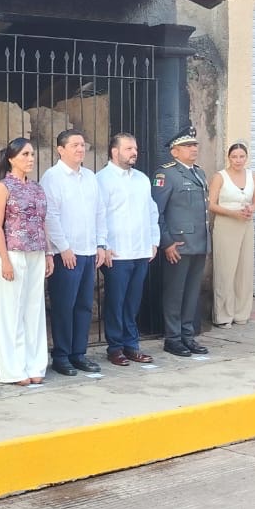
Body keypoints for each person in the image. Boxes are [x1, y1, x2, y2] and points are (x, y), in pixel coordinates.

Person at [39, 129, 107, 376]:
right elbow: (50, 216)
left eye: (82, 144)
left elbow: (100, 212)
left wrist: (101, 244)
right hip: (65, 254)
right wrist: (63, 248)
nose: (80, 149)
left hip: (88, 251)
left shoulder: (90, 177)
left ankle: (79, 353)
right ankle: (61, 355)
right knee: (63, 306)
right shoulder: (52, 177)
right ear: (61, 149)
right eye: (75, 145)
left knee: (84, 306)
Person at [0, 137, 53, 385]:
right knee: (12, 311)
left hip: (36, 252)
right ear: (11, 159)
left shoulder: (36, 187)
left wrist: (48, 253)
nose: (30, 159)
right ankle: (13, 369)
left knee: (34, 309)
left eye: (32, 154)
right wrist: (4, 260)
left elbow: (42, 222)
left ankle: (35, 364)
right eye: (25, 154)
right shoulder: (2, 187)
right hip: (14, 253)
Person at [96, 133, 159, 366]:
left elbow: (151, 211)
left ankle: (132, 345)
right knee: (116, 301)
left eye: (135, 149)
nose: (134, 153)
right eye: (129, 149)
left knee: (133, 302)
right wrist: (103, 245)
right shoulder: (102, 179)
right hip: (117, 252)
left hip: (140, 250)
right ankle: (115, 348)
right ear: (115, 151)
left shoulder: (142, 179)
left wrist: (154, 241)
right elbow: (98, 214)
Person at [151, 127, 210, 356]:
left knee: (191, 293)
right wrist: (166, 242)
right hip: (179, 244)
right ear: (174, 152)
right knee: (175, 294)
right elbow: (157, 212)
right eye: (187, 146)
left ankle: (187, 335)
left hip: (199, 243)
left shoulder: (199, 173)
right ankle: (173, 338)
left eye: (194, 145)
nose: (193, 149)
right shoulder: (166, 175)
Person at [208, 141, 255, 327]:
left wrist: (252, 208)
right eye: (234, 157)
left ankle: (241, 313)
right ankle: (223, 315)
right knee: (225, 269)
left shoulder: (251, 175)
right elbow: (211, 204)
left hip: (246, 223)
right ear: (228, 158)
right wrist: (233, 213)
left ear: (246, 157)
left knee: (244, 269)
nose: (238, 160)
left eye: (241, 156)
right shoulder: (220, 177)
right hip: (226, 224)